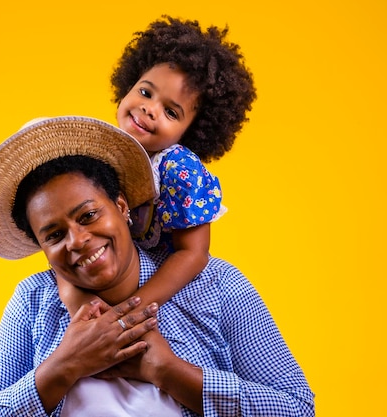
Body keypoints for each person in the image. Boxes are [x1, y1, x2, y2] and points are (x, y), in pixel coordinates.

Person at [0, 116, 315, 416]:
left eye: (88, 215)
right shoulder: (33, 301)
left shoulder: (216, 285)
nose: (77, 241)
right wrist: (64, 366)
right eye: (54, 235)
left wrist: (171, 372)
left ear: (121, 206)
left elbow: (298, 408)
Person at [58, 16, 258, 317]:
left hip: (163, 289)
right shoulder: (100, 155)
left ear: (191, 132)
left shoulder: (178, 168)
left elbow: (194, 255)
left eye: (170, 112)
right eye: (145, 92)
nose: (149, 109)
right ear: (129, 84)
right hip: (109, 278)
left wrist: (129, 311)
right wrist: (78, 304)